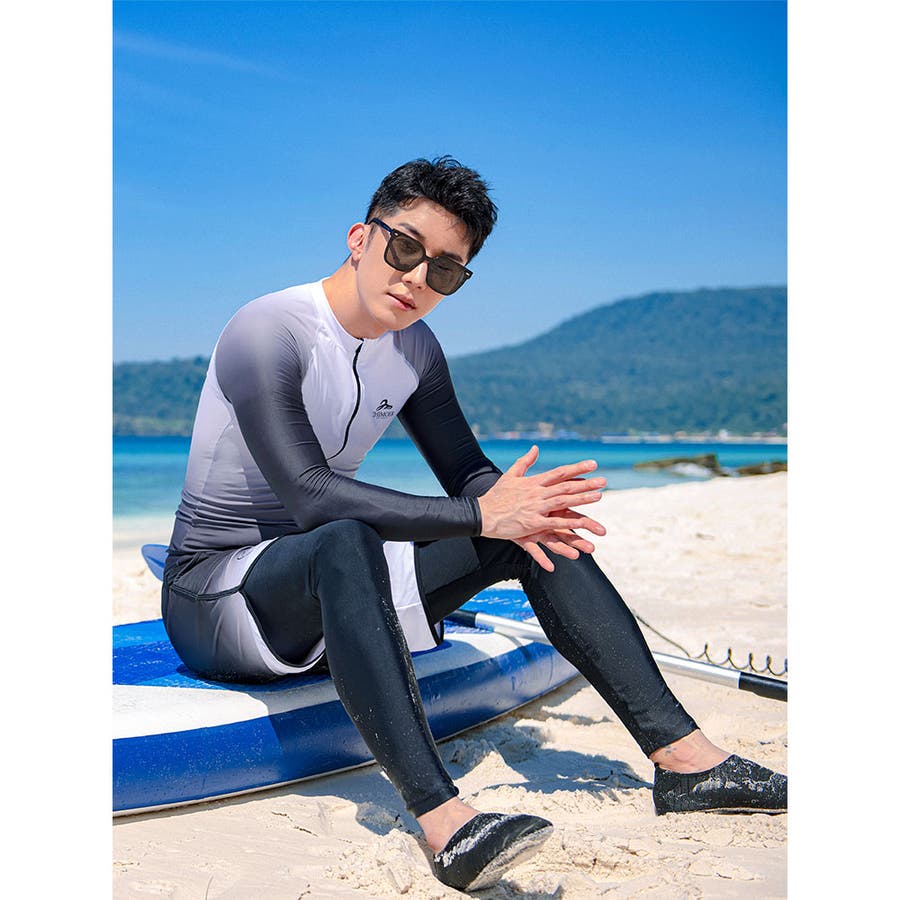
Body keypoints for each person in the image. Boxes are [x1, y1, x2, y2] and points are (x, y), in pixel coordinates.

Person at [162, 156, 786, 892]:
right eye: (404, 248)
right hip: (220, 601)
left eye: (445, 271)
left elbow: (467, 471)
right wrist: (480, 512)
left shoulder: (415, 349)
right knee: (347, 537)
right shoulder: (268, 329)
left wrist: (523, 506)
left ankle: (687, 762)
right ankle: (443, 821)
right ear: (360, 237)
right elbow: (312, 498)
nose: (416, 278)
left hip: (335, 588)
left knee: (529, 532)